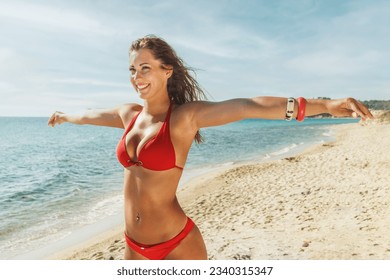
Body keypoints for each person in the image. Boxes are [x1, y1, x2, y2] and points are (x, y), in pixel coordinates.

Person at [48, 35, 373, 260]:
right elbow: (90, 115)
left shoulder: (185, 118)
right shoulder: (128, 115)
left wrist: (323, 105)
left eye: (145, 68)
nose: (137, 77)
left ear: (167, 70)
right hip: (133, 247)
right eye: (132, 70)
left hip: (178, 244)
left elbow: (249, 106)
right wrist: (64, 116)